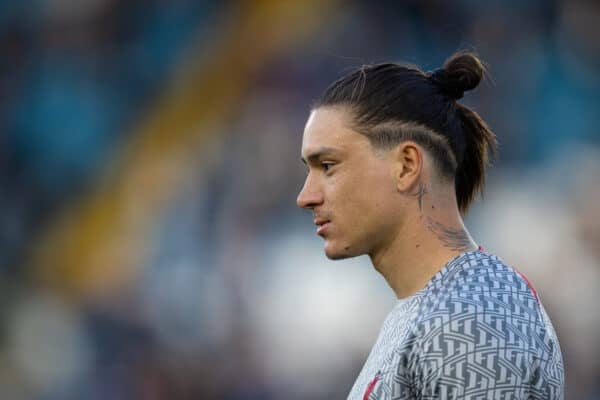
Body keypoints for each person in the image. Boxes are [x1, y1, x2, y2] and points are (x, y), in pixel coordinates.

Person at [296, 52, 564, 399]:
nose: (306, 196)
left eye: (328, 166)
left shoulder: (471, 317)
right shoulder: (435, 308)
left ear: (406, 166)